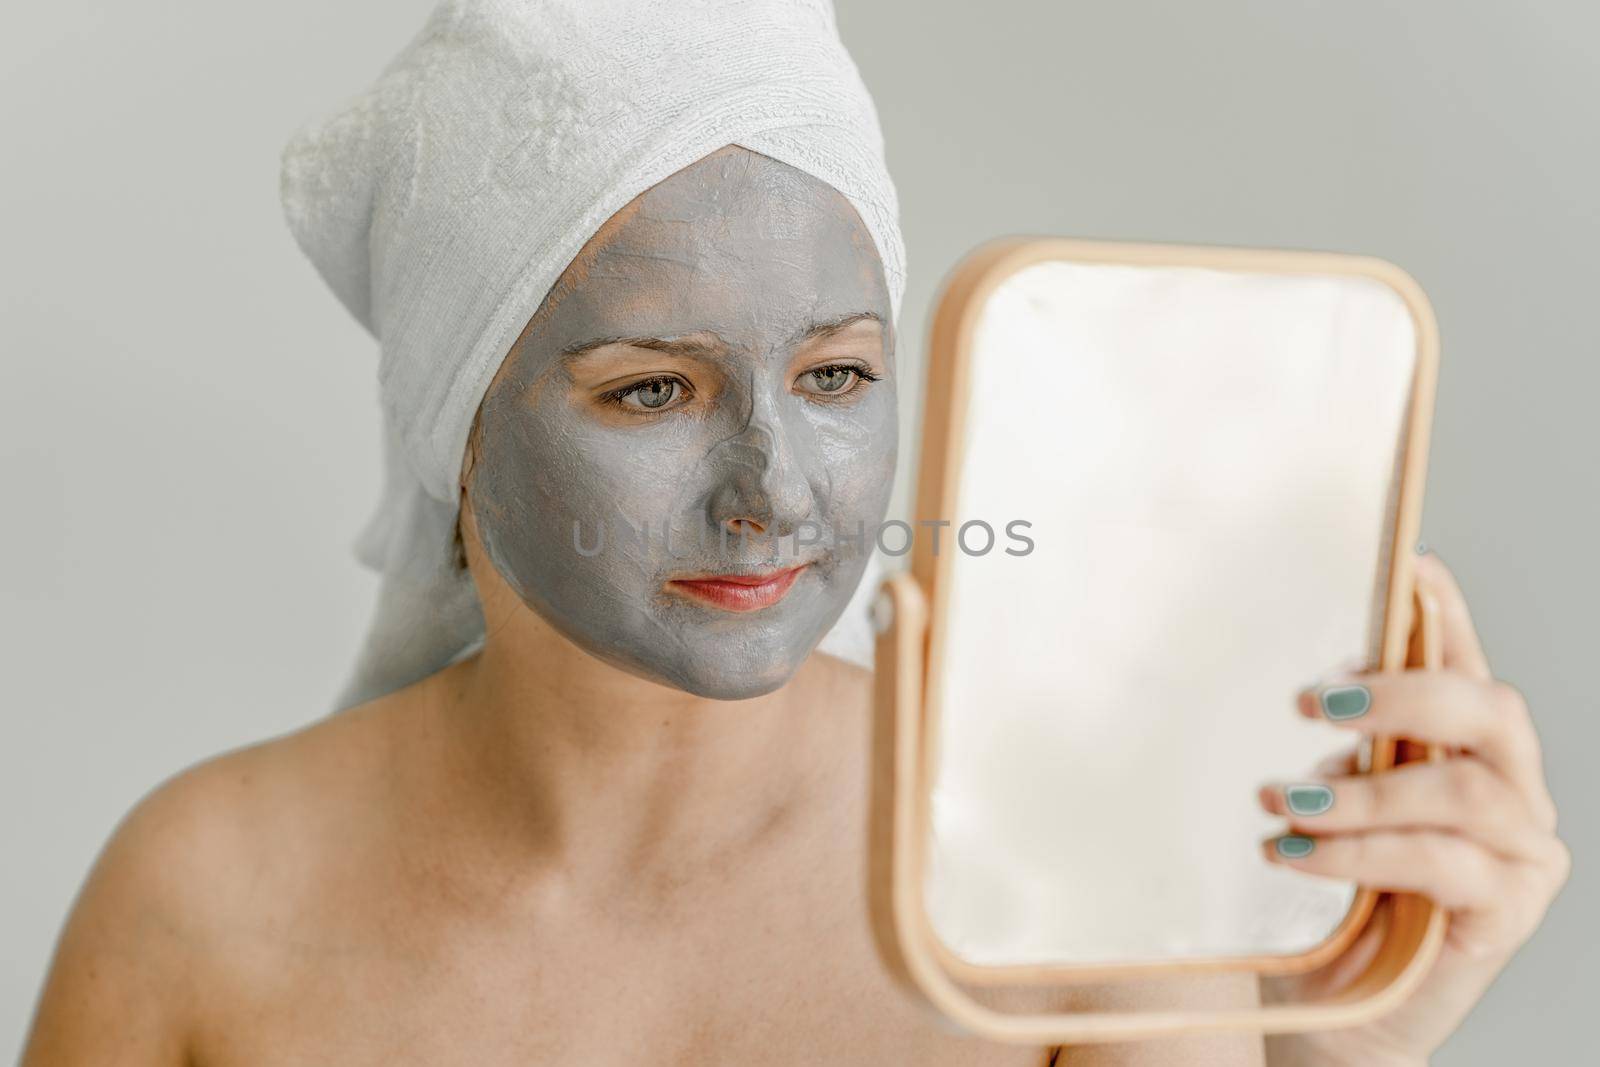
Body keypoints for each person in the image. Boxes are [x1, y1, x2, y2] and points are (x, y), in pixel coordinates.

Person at [21, 3, 1568, 1065]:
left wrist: (1342, 1055)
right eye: (651, 391)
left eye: (836, 375)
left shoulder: (1066, 860)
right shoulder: (200, 901)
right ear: (460, 421)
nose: (777, 488)